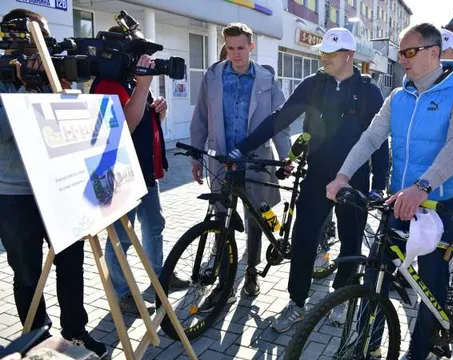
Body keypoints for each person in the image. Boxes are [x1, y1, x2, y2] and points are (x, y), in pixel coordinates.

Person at [326, 22, 453, 359]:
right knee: (375, 277)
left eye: (410, 52)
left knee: (429, 288)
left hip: (439, 206)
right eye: (400, 53)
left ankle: (419, 351)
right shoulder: (399, 95)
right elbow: (370, 137)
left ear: (434, 53)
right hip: (398, 203)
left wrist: (422, 187)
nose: (403, 59)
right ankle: (368, 343)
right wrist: (342, 175)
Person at [229, 27, 389, 332]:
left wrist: (379, 185)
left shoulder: (369, 91)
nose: (324, 58)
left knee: (352, 242)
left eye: (330, 53)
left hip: (354, 179)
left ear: (348, 56)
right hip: (316, 175)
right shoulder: (313, 85)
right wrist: (243, 147)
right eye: (323, 53)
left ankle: (341, 299)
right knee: (303, 238)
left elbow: (379, 141)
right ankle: (297, 303)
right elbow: (281, 117)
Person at [0, 8, 106, 358]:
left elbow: (67, 125)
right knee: (27, 271)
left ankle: (74, 330)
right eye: (38, 39)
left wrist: (52, 85)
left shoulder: (49, 71)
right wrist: (24, 89)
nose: (46, 45)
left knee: (71, 261)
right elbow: (4, 132)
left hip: (58, 186)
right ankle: (37, 337)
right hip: (14, 192)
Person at [91, 25, 189, 317]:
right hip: (119, 176)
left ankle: (160, 277)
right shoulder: (107, 84)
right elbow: (125, 128)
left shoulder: (131, 83)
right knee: (121, 238)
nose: (144, 62)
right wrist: (145, 86)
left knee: (154, 225)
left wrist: (159, 109)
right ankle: (122, 294)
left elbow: (141, 116)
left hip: (143, 173)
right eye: (139, 56)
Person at [190, 22, 291, 305]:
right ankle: (224, 282)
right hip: (222, 160)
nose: (236, 54)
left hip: (256, 160)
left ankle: (251, 272)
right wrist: (196, 155)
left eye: (241, 48)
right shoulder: (213, 75)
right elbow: (200, 117)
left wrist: (285, 157)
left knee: (256, 219)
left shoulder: (265, 79)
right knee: (221, 218)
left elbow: (280, 123)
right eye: (231, 48)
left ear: (251, 47)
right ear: (225, 46)